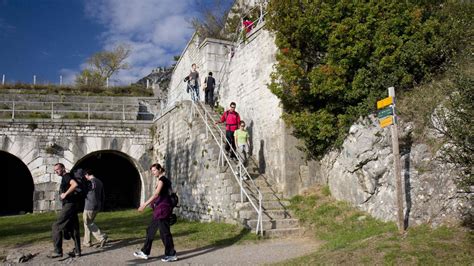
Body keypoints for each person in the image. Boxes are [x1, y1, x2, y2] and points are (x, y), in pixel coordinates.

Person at [133, 163, 177, 262]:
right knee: (150, 230)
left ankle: (171, 254)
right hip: (159, 210)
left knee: (164, 232)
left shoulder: (162, 180)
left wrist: (144, 204)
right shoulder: (163, 180)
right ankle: (145, 252)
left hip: (163, 210)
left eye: (154, 170)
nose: (153, 172)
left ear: (160, 169)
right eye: (152, 171)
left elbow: (156, 194)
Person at [48, 163, 81, 258]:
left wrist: (65, 194)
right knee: (74, 228)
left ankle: (58, 251)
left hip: (69, 205)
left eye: (57, 169)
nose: (56, 171)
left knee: (56, 226)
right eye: (55, 170)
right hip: (73, 204)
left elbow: (74, 184)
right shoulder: (67, 176)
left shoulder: (66, 176)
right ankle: (78, 251)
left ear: (63, 168)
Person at [82, 169, 108, 248]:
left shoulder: (90, 182)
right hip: (97, 205)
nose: (85, 177)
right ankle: (87, 242)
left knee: (88, 222)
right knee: (88, 223)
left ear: (87, 174)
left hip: (90, 205)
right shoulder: (99, 182)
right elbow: (103, 195)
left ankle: (101, 237)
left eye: (85, 175)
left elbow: (84, 191)